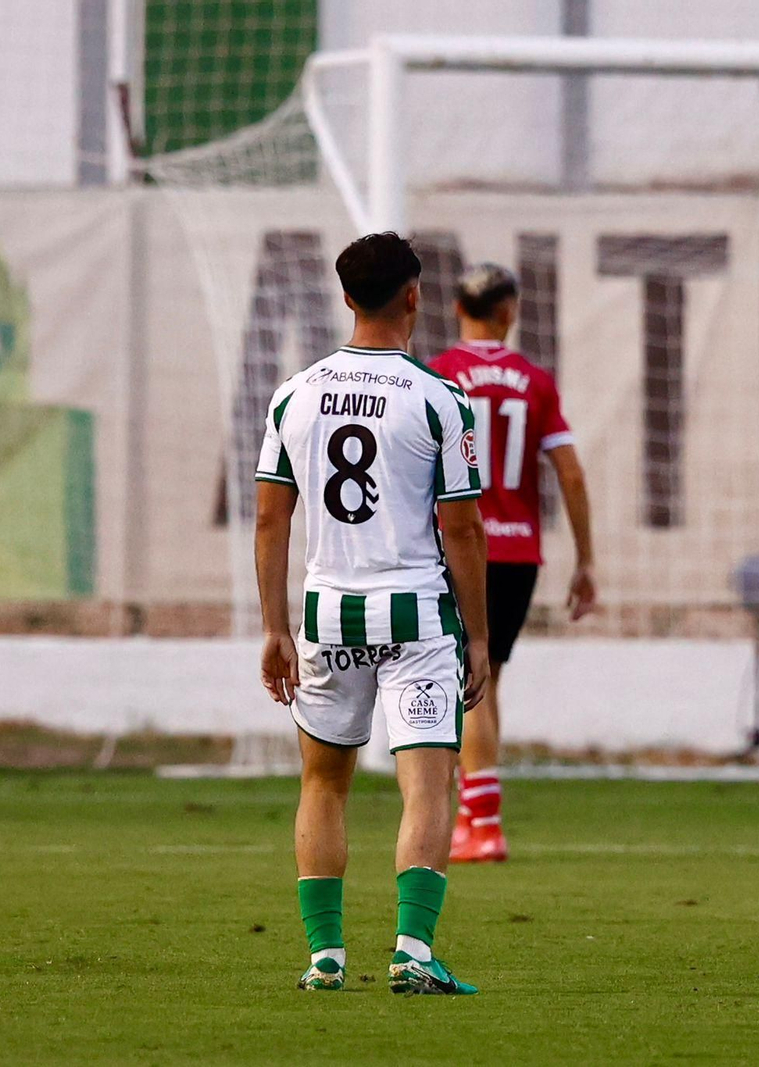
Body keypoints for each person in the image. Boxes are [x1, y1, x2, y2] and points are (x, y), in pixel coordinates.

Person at [254, 231, 489, 995]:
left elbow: (270, 521)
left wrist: (272, 626)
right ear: (414, 295)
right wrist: (479, 637)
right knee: (427, 784)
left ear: (347, 297)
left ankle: (326, 957)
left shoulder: (295, 393)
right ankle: (413, 951)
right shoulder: (438, 397)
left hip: (327, 614)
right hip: (416, 616)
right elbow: (461, 526)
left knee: (323, 784)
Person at [430, 263, 597, 864]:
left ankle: (479, 823)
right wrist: (586, 561)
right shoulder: (535, 381)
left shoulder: (440, 376)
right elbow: (571, 472)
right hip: (520, 548)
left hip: (458, 546)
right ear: (511, 311)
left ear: (456, 310)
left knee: (456, 682)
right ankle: (482, 821)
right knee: (487, 674)